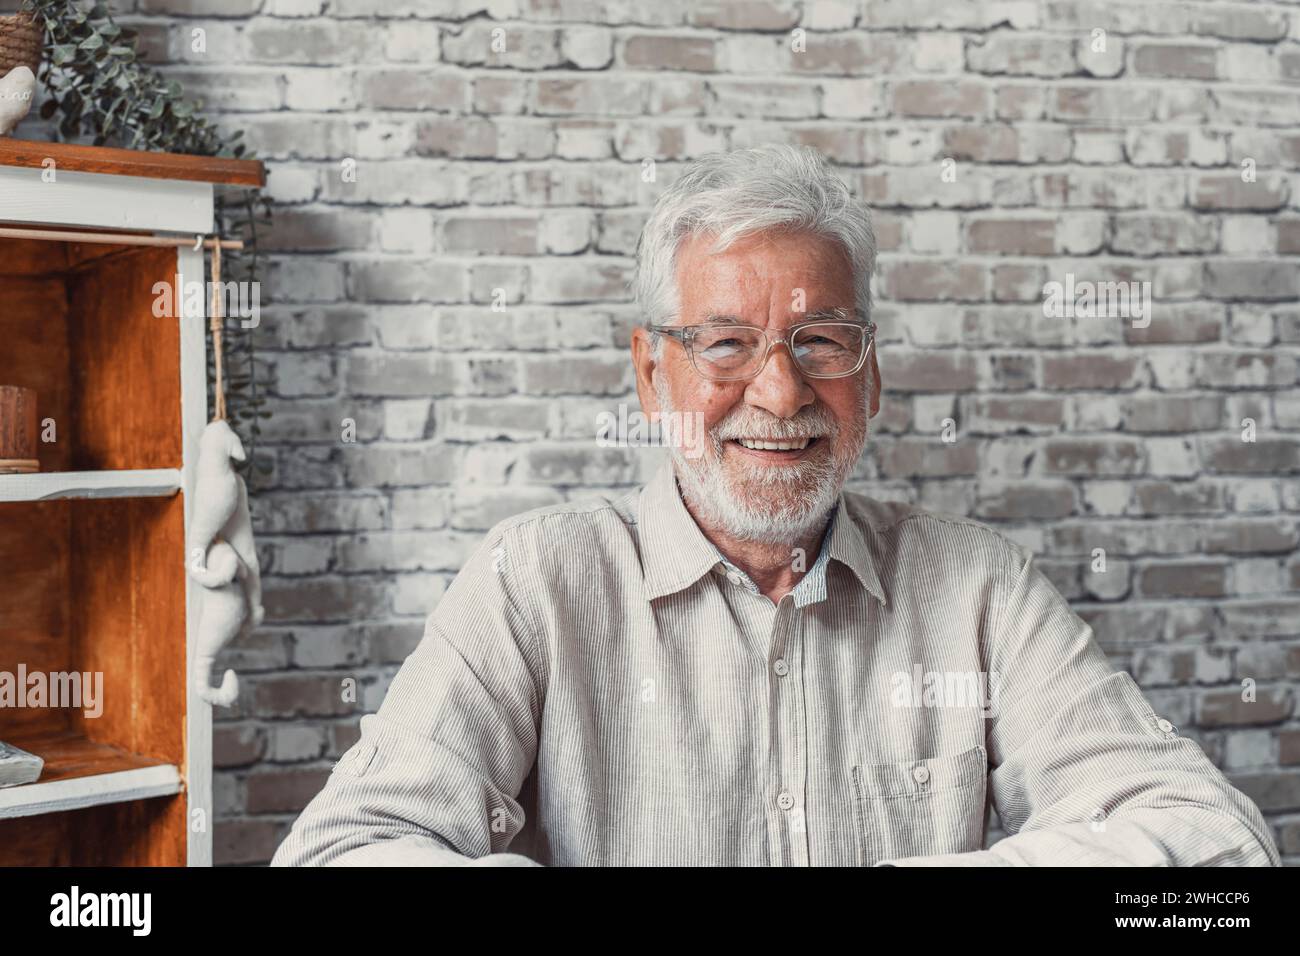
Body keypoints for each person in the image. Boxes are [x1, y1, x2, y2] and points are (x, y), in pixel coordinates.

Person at [271, 144, 1278, 867]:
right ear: (650, 372)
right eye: (724, 343)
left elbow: (1217, 843)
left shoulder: (976, 586)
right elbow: (343, 846)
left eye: (821, 341)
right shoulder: (535, 581)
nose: (781, 392)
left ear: (870, 375)